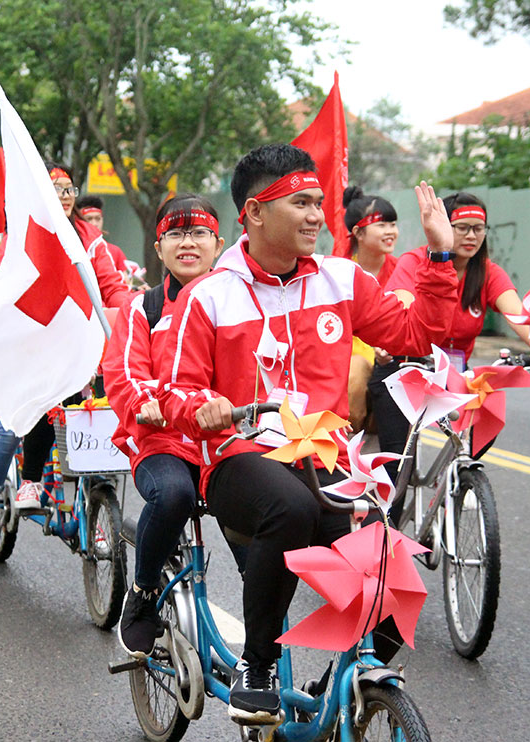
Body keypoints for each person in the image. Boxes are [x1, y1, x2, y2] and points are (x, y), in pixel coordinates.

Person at [157, 143, 459, 724]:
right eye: (300, 203)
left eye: (319, 202)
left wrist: (441, 257)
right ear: (253, 213)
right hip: (242, 460)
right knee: (290, 508)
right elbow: (174, 391)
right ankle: (259, 664)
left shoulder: (344, 280)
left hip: (327, 462)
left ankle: (333, 698)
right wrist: (207, 405)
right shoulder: (208, 295)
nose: (318, 215)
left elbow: (418, 335)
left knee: (397, 585)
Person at [0, 163, 131, 552]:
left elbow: (111, 285)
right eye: (54, 188)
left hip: (81, 347)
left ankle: (95, 504)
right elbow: (3, 287)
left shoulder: (90, 239)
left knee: (91, 413)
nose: (64, 195)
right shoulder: (19, 237)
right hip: (31, 345)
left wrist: (133, 314)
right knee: (17, 424)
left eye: (69, 188)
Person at [100, 194, 224, 657]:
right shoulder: (142, 308)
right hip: (164, 441)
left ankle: (264, 659)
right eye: (176, 233)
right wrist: (144, 402)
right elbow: (123, 373)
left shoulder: (237, 305)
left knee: (272, 529)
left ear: (219, 243)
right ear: (159, 247)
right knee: (174, 496)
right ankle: (144, 592)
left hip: (225, 446)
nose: (187, 243)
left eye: (198, 233)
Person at [372, 191, 530, 463]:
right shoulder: (414, 262)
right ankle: (392, 501)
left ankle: (459, 482)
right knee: (396, 466)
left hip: (454, 375)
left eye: (478, 229)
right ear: (442, 227)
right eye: (462, 228)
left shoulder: (488, 272)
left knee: (476, 435)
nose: (471, 236)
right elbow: (402, 306)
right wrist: (387, 344)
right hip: (404, 368)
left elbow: (517, 311)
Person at [341, 186, 400, 431]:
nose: (390, 232)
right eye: (381, 225)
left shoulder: (403, 271)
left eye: (393, 224)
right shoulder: (339, 273)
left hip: (393, 357)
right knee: (355, 371)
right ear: (358, 233)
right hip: (348, 357)